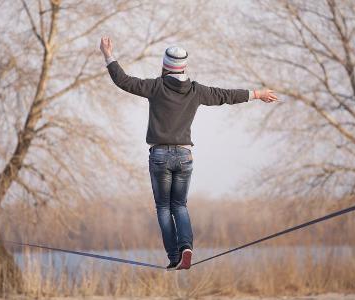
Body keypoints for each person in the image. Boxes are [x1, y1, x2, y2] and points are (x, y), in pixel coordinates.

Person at [100, 37, 278, 271]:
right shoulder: (196, 91)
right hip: (184, 156)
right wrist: (257, 93)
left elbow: (123, 81)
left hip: (160, 155)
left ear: (165, 66)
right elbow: (225, 95)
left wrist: (108, 55)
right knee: (180, 206)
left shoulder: (156, 87)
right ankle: (186, 248)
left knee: (164, 208)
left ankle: (174, 257)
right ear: (184, 67)